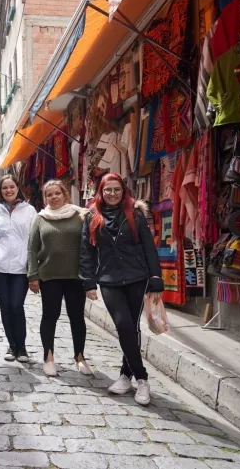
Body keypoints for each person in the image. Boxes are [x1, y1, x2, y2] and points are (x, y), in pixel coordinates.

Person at [80, 172, 163, 406]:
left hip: (137, 277)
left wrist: (156, 277)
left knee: (132, 327)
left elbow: (149, 248)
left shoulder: (135, 215)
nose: (112, 194)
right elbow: (86, 252)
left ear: (123, 190)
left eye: (117, 189)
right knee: (123, 325)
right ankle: (142, 377)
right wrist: (88, 281)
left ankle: (126, 376)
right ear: (101, 192)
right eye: (108, 190)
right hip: (108, 280)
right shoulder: (92, 217)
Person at [28, 180, 92, 377]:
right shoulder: (40, 219)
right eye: (49, 194)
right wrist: (32, 275)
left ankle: (80, 357)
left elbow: (90, 245)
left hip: (75, 276)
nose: (54, 197)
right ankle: (48, 358)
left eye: (57, 193)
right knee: (50, 317)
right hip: (49, 276)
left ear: (65, 194)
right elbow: (32, 249)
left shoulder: (80, 215)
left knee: (77, 318)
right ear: (45, 198)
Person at [0, 175, 37, 363]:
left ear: (17, 188)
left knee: (16, 306)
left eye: (11, 186)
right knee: (5, 307)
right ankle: (11, 345)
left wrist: (32, 263)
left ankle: (22, 347)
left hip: (21, 267)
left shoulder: (29, 210)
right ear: (0, 191)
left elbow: (35, 238)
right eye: (4, 188)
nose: (8, 190)